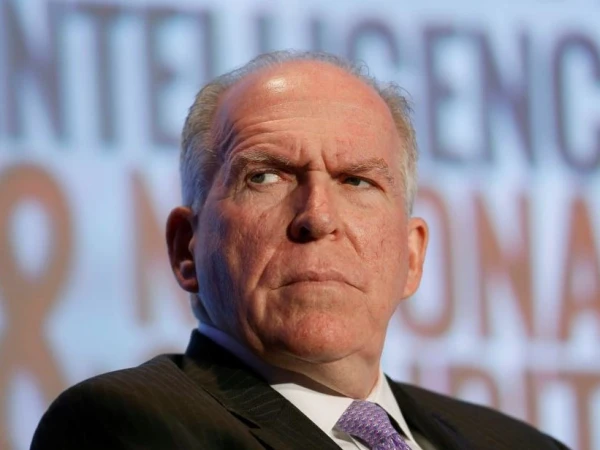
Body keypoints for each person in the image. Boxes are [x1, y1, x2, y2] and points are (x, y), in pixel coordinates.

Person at [30, 50, 569, 450]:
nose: (317, 216)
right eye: (265, 176)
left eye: (356, 180)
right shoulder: (126, 423)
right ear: (186, 249)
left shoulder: (521, 444)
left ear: (412, 256)